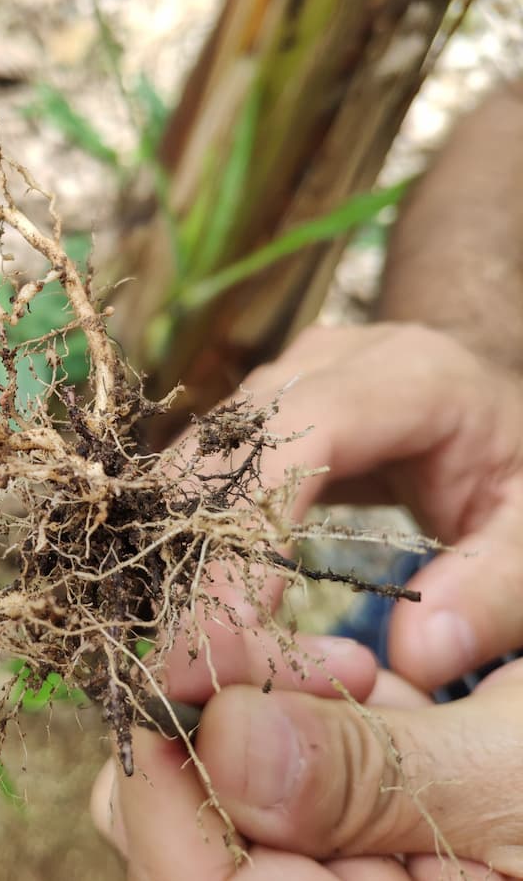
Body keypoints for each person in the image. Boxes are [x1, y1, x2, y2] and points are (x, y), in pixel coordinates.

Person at [91, 80, 523, 878]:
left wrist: (370, 787)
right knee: (295, 699)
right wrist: (479, 352)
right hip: (441, 608)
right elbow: (513, 116)